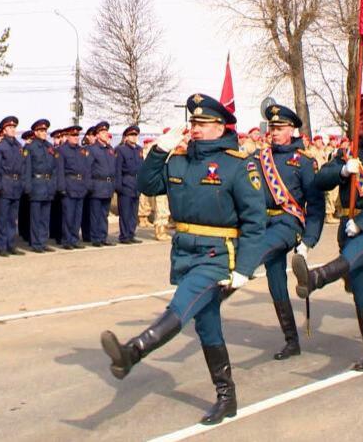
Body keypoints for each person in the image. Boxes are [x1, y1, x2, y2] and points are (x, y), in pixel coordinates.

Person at [100, 94, 266, 425]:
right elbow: (147, 186)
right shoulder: (179, 160)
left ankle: (133, 351)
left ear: (220, 127)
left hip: (218, 254)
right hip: (185, 251)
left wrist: (245, 269)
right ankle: (226, 396)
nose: (196, 130)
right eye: (194, 124)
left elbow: (255, 220)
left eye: (203, 124)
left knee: (182, 304)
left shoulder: (238, 164)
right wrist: (160, 150)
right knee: (206, 325)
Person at [292, 105, 363, 370]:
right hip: (349, 223)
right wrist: (342, 171)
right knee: (361, 290)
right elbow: (321, 179)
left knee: (357, 256)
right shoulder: (348, 151)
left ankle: (316, 277)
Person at [252, 103, 325, 360]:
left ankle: (241, 267)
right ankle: (291, 340)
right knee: (276, 284)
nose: (273, 132)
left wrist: (308, 241)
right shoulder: (258, 158)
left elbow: (316, 206)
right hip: (264, 223)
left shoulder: (304, 162)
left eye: (279, 127)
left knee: (260, 251)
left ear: (293, 130)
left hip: (288, 223)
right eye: (271, 127)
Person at [0, 116, 26, 257]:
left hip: (16, 185)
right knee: (2, 218)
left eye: (14, 127)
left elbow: (22, 167)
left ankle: (11, 244)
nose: (13, 130)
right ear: (4, 130)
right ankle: (2, 246)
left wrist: (22, 183)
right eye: (10, 128)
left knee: (12, 218)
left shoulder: (18, 147)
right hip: (4, 184)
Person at [22, 119, 58, 252]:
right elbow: (27, 169)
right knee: (36, 217)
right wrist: (28, 186)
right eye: (41, 131)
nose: (44, 133)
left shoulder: (49, 147)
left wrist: (53, 185)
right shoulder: (30, 147)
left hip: (48, 185)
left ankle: (43, 242)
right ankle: (36, 243)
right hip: (36, 184)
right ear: (35, 132)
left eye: (45, 131)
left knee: (45, 217)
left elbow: (54, 168)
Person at [56, 125, 91, 249]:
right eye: (73, 135)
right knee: (68, 216)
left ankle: (75, 239)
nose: (76, 137)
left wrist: (86, 186)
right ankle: (67, 240)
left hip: (80, 186)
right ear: (67, 136)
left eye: (77, 135)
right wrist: (62, 188)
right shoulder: (62, 150)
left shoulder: (81, 150)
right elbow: (60, 170)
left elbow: (86, 170)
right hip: (69, 185)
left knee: (77, 216)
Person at [87, 121, 117, 247]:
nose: (106, 134)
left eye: (106, 132)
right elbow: (87, 168)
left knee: (104, 214)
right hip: (97, 185)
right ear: (97, 135)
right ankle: (96, 238)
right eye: (103, 132)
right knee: (96, 214)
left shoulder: (109, 149)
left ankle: (103, 236)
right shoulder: (92, 149)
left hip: (108, 185)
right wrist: (89, 186)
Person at [115, 125, 144, 244]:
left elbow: (142, 167)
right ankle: (124, 235)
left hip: (136, 184)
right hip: (126, 183)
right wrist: (119, 187)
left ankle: (131, 233)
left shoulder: (139, 149)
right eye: (132, 135)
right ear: (126, 137)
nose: (134, 137)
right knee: (125, 212)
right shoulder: (120, 149)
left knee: (133, 212)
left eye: (136, 135)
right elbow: (117, 169)